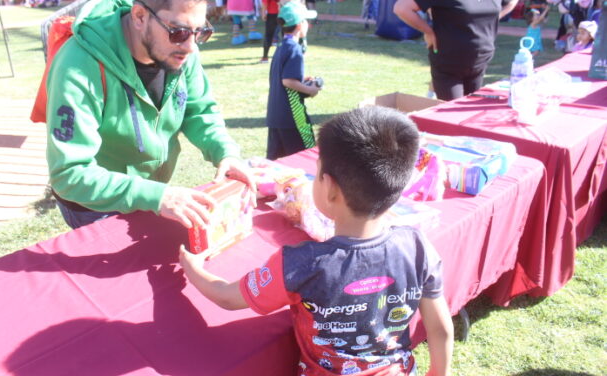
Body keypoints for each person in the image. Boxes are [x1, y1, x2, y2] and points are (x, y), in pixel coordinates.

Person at [179, 106, 454, 376]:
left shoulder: (300, 264)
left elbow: (228, 297)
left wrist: (192, 267)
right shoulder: (418, 246)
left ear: (330, 188)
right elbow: (440, 328)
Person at [45, 0, 256, 230]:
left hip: (153, 192)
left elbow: (200, 111)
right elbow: (69, 173)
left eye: (201, 31)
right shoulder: (78, 64)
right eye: (178, 32)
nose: (191, 47)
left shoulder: (181, 50)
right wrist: (156, 196)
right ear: (139, 16)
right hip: (95, 205)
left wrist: (226, 154)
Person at [393, 0, 519, 101]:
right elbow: (402, 8)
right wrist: (428, 31)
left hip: (480, 63)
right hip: (449, 64)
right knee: (451, 115)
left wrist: (495, 17)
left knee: (468, 113)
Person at [265, 1, 320, 160]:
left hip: (276, 115)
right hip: (293, 116)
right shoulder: (295, 49)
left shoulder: (282, 46)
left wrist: (302, 80)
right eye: (306, 21)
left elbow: (283, 76)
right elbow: (287, 81)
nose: (308, 25)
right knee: (306, 156)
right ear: (299, 25)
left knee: (276, 161)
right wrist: (311, 90)